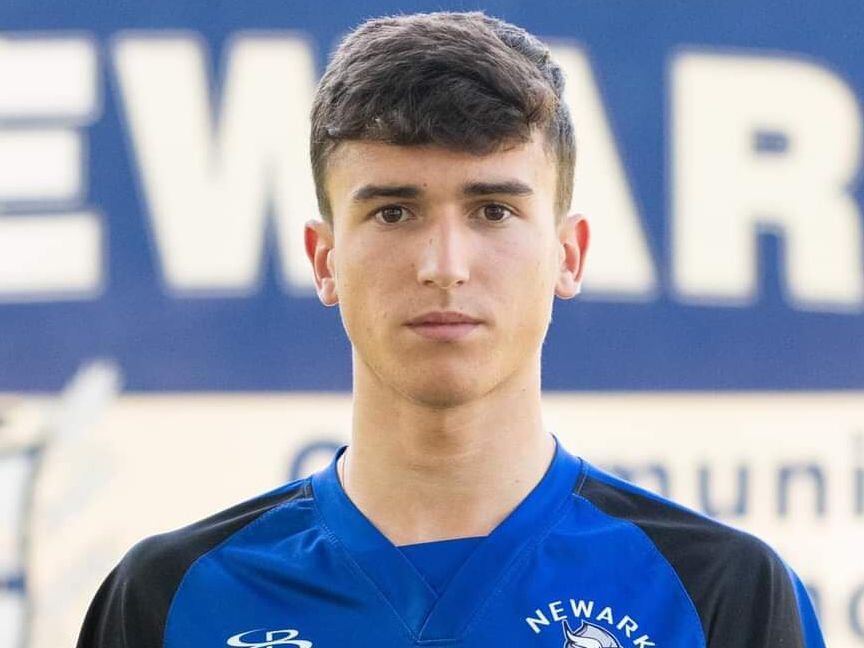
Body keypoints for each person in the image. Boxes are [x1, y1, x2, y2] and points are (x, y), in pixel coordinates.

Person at [77, 11, 825, 647]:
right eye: (393, 212)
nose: (444, 265)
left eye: (493, 210)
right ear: (325, 260)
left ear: (568, 254)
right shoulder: (170, 600)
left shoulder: (718, 591)